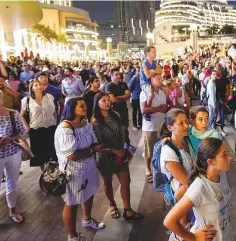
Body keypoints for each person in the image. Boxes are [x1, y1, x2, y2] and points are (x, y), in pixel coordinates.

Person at [54, 97, 106, 241]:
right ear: (72, 109)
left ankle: (87, 219)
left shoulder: (85, 123)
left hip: (88, 167)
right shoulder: (66, 128)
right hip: (73, 171)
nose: (85, 108)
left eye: (84, 105)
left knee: (88, 193)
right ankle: (73, 236)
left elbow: (95, 141)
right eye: (81, 106)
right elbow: (72, 155)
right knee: (72, 202)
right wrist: (92, 150)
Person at [164, 137, 233, 241]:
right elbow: (169, 221)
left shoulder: (221, 173)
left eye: (227, 152)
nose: (230, 157)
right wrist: (194, 237)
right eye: (224, 155)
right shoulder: (199, 187)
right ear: (211, 162)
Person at [92, 92, 144, 221]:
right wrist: (115, 152)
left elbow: (121, 134)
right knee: (107, 182)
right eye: (103, 100)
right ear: (97, 103)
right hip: (104, 156)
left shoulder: (116, 115)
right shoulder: (95, 121)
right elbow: (98, 144)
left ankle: (128, 209)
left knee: (126, 181)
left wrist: (121, 150)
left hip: (120, 153)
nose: (107, 102)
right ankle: (112, 204)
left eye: (108, 100)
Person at [0, 88, 25, 229]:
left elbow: (22, 132)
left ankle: (12, 211)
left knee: (13, 182)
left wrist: (10, 139)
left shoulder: (13, 113)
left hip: (13, 152)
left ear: (2, 98)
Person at [160, 108, 194, 229]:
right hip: (182, 197)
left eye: (186, 121)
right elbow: (187, 182)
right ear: (170, 127)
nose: (186, 126)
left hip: (190, 194)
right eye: (181, 123)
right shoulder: (168, 152)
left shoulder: (187, 140)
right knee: (185, 226)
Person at [20, 79, 57, 171]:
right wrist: (27, 127)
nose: (39, 87)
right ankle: (44, 173)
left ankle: (53, 172)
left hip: (50, 127)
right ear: (31, 88)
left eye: (40, 84)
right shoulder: (27, 100)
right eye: (36, 85)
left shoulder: (49, 97)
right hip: (36, 129)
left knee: (51, 151)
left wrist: (55, 121)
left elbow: (54, 112)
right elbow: (21, 115)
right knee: (39, 153)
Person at [140, 73, 168, 183]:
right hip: (150, 126)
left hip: (161, 124)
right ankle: (148, 170)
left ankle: (159, 169)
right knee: (148, 150)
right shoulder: (145, 93)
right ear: (151, 80)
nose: (160, 80)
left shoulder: (161, 92)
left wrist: (165, 108)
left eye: (161, 78)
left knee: (160, 148)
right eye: (157, 78)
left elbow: (163, 107)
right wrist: (159, 108)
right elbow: (144, 110)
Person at [105, 68, 136, 152]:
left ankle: (127, 144)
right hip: (113, 110)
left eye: (119, 74)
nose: (119, 76)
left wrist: (117, 97)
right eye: (116, 75)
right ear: (111, 75)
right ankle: (117, 146)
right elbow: (113, 100)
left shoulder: (123, 84)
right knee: (115, 129)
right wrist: (122, 97)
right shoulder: (109, 86)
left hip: (123, 109)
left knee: (125, 128)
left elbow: (128, 95)